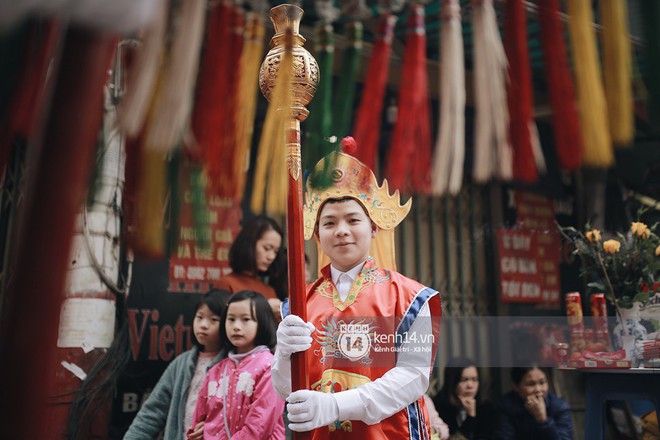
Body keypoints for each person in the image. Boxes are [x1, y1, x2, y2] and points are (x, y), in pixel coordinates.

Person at [271, 141, 442, 438]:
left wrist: (336, 405)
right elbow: (288, 390)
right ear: (316, 232)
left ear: (373, 227)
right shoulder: (299, 304)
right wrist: (283, 354)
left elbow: (413, 377)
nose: (341, 230)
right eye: (329, 222)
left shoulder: (412, 298)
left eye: (353, 220)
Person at [123, 289, 232, 440]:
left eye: (214, 320)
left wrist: (214, 426)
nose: (204, 325)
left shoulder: (235, 365)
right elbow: (152, 412)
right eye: (199, 317)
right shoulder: (181, 364)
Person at [189, 290, 285, 439]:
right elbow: (197, 422)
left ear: (262, 322)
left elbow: (259, 426)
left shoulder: (270, 367)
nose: (236, 326)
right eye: (231, 319)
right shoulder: (215, 371)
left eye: (245, 319)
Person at [216, 215, 287, 318]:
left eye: (275, 252)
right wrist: (264, 309)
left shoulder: (270, 291)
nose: (271, 257)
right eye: (267, 248)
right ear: (250, 244)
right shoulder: (227, 284)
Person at [494, 367, 573, 440]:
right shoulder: (506, 407)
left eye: (542, 383)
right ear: (516, 386)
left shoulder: (560, 407)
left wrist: (543, 420)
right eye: (531, 384)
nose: (538, 389)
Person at [432, 357, 496, 440]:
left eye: (475, 379)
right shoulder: (438, 408)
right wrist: (470, 417)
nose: (470, 385)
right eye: (464, 380)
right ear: (452, 382)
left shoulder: (485, 407)